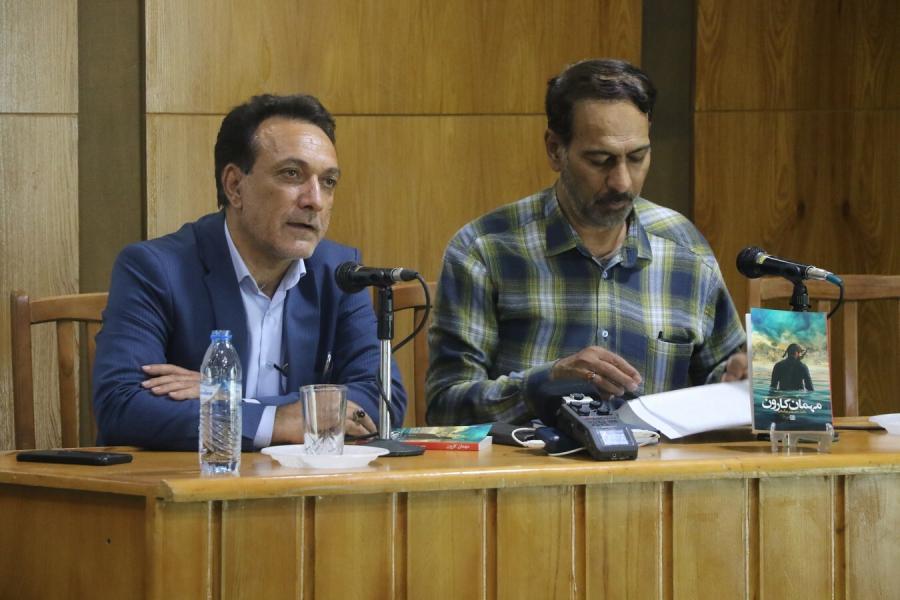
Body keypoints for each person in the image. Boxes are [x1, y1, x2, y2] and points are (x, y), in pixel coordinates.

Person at [426, 59, 746, 425]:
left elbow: (720, 374)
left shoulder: (683, 248)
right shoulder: (485, 250)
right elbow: (445, 406)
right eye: (600, 160)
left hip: (657, 460)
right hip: (530, 461)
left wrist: (737, 380)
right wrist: (544, 384)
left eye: (637, 157)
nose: (622, 182)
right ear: (555, 150)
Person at [93, 94, 406, 450]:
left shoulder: (338, 271)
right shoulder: (155, 269)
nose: (315, 200)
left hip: (306, 481)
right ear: (234, 186)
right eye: (292, 174)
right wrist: (281, 419)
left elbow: (381, 400)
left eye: (328, 182)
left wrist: (235, 402)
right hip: (196, 479)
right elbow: (122, 404)